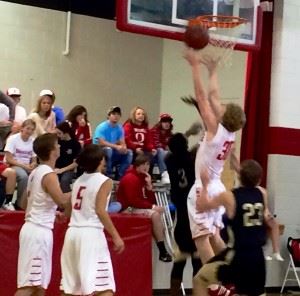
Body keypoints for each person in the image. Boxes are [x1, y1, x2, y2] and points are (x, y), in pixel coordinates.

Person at [184, 49, 246, 266]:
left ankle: (214, 283)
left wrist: (194, 66)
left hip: (204, 186)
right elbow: (214, 96)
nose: (219, 106)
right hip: (218, 187)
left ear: (223, 116)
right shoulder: (231, 133)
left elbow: (203, 97)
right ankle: (232, 273)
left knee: (202, 239)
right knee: (216, 237)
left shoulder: (215, 130)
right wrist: (212, 71)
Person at [193, 159, 267, 296]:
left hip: (237, 256)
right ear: (259, 179)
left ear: (239, 176)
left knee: (200, 280)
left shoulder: (229, 196)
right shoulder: (262, 193)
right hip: (258, 257)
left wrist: (204, 183)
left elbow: (201, 206)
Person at [60, 144, 125, 296]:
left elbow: (68, 209)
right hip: (90, 235)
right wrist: (116, 236)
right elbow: (100, 211)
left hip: (72, 234)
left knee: (70, 288)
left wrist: (62, 215)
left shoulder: (78, 181)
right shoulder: (105, 181)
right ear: (101, 160)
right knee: (103, 287)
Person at [15, 133, 71, 296]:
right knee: (29, 285)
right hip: (38, 232)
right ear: (52, 150)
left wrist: (51, 212)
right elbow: (62, 201)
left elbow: (26, 203)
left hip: (35, 228)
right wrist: (79, 191)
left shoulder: (35, 173)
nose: (60, 146)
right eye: (57, 144)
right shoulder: (48, 174)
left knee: (39, 286)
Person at [229, 150, 284, 261]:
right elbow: (236, 166)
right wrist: (231, 152)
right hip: (250, 215)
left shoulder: (261, 191)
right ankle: (264, 250)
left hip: (260, 213)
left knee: (274, 224)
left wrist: (268, 215)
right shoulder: (246, 183)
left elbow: (265, 207)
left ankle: (275, 251)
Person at [116, 154, 172, 262]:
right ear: (137, 165)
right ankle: (162, 250)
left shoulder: (143, 178)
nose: (146, 167)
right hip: (127, 208)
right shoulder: (130, 178)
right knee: (155, 214)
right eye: (143, 164)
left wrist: (149, 187)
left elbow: (149, 200)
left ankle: (161, 247)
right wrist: (152, 207)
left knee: (157, 214)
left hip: (136, 207)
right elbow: (133, 201)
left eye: (148, 164)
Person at [165, 133, 202, 295]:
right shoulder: (192, 159)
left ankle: (173, 292)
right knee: (197, 262)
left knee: (179, 262)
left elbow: (174, 148)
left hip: (181, 219)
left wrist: (187, 134)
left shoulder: (169, 161)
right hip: (194, 219)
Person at [4, 119, 37, 210]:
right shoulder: (13, 139)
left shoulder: (33, 141)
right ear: (22, 128)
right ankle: (19, 203)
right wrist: (24, 166)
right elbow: (9, 159)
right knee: (23, 176)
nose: (29, 131)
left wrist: (33, 165)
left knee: (37, 175)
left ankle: (31, 202)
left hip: (26, 166)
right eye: (28, 128)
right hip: (13, 164)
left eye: (32, 129)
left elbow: (34, 159)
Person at [93, 106, 132, 179]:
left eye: (118, 114)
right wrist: (116, 146)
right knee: (108, 150)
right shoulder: (102, 127)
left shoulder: (120, 128)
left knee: (129, 153)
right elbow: (101, 142)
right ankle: (108, 174)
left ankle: (120, 175)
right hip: (100, 151)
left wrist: (124, 147)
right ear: (109, 115)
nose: (116, 116)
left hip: (113, 151)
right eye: (113, 114)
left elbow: (122, 141)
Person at [55, 121, 81, 193]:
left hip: (69, 169)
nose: (58, 135)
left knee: (64, 180)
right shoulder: (57, 142)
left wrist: (62, 170)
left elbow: (76, 163)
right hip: (56, 168)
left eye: (59, 133)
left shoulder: (75, 144)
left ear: (66, 133)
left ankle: (68, 199)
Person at [150, 113, 173, 184]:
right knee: (161, 150)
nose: (167, 123)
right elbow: (156, 145)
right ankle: (164, 174)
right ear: (160, 123)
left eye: (168, 121)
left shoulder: (170, 134)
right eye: (164, 121)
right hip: (152, 155)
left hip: (163, 155)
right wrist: (166, 147)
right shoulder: (154, 131)